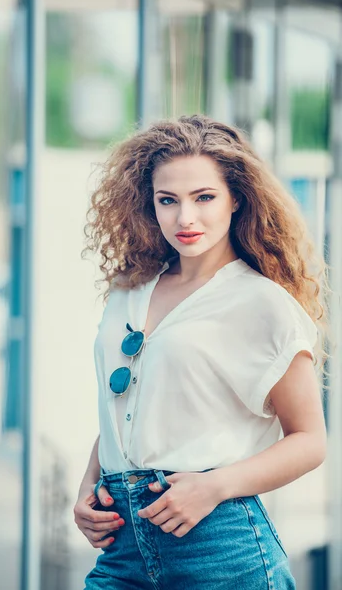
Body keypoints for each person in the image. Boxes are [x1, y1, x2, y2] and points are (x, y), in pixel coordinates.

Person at [73, 115, 328, 589]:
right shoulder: (129, 290)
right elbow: (128, 406)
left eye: (204, 198)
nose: (184, 218)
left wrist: (215, 486)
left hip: (217, 543)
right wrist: (92, 484)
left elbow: (311, 441)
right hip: (121, 547)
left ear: (236, 199)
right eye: (167, 200)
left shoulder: (262, 302)